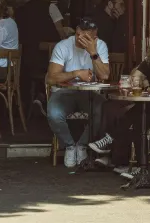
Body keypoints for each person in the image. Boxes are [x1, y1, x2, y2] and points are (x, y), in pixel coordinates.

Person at [89, 33, 150, 171]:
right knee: (123, 113)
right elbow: (134, 78)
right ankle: (128, 164)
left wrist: (148, 87)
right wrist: (139, 80)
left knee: (136, 117)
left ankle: (116, 153)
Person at [46, 17, 110, 169]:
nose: (89, 40)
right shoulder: (63, 46)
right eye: (85, 36)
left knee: (103, 109)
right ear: (77, 33)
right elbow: (51, 78)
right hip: (64, 92)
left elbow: (105, 76)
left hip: (89, 94)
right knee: (54, 114)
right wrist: (76, 73)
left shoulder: (100, 46)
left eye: (92, 37)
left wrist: (93, 53)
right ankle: (69, 146)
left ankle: (82, 145)